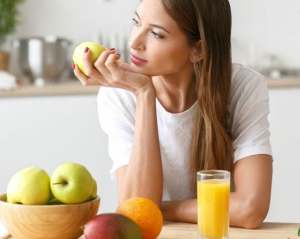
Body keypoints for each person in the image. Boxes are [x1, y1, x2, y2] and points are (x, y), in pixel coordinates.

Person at [72, 0, 273, 229]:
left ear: (198, 49)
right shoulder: (119, 96)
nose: (134, 43)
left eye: (156, 34)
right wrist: (143, 93)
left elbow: (250, 209)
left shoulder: (242, 87)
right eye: (136, 22)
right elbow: (137, 212)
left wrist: (160, 208)